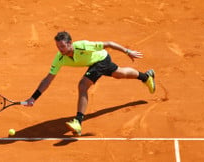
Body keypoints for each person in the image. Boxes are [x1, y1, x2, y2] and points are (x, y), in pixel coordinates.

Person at [24, 31, 155, 136]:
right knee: (120, 74)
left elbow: (108, 43)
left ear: (70, 43)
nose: (60, 49)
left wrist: (128, 52)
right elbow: (48, 79)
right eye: (58, 47)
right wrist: (33, 98)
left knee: (82, 85)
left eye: (62, 46)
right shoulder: (60, 58)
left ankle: (78, 122)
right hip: (94, 63)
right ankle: (146, 77)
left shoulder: (83, 45)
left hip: (101, 59)